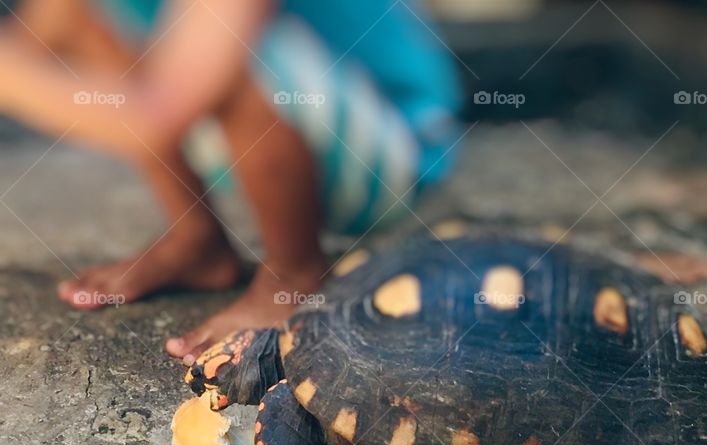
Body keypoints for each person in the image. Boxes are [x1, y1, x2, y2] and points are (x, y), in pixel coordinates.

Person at [0, 0, 461, 358]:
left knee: (234, 45)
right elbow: (38, 40)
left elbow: (157, 114)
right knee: (90, 14)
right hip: (263, 120)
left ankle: (294, 273)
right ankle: (198, 242)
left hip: (388, 154)